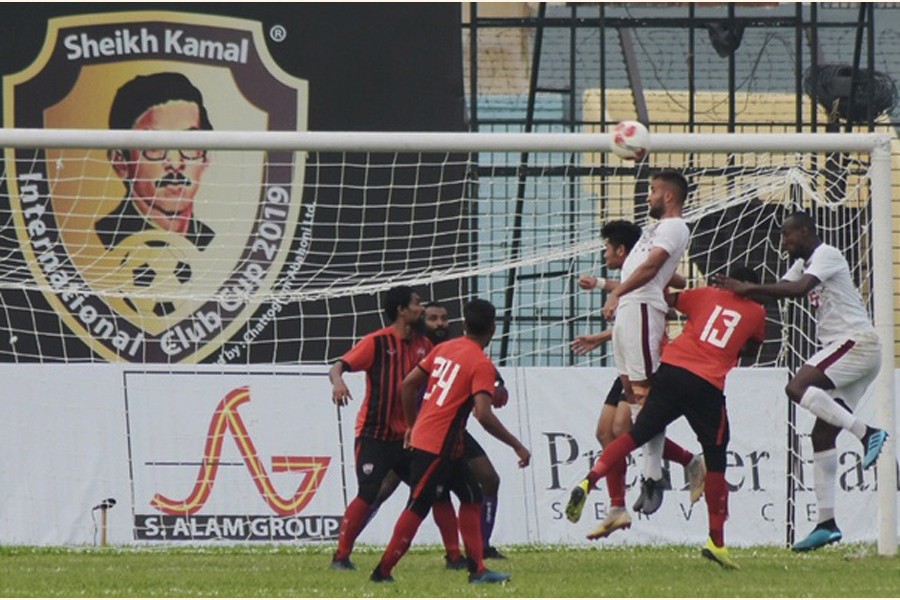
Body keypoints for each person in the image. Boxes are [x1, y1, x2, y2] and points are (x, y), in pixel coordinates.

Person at [567, 265, 768, 569]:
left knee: (632, 434)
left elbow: (661, 299)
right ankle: (716, 541)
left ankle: (590, 480)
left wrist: (606, 285)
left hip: (668, 368)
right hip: (706, 384)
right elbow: (752, 346)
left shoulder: (704, 294)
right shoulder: (756, 311)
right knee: (716, 456)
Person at [713, 211, 888, 552]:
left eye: (788, 235)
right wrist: (737, 293)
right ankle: (826, 524)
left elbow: (799, 289)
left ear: (806, 231)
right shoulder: (802, 264)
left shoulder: (827, 254)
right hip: (851, 351)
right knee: (821, 435)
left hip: (855, 343)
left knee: (796, 387)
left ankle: (868, 433)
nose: (784, 242)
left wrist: (749, 288)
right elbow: (777, 293)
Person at [370, 299, 531, 584]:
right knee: (418, 505)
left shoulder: (444, 348)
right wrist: (516, 445)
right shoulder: (480, 363)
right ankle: (382, 572)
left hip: (444, 442)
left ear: (464, 324)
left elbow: (407, 384)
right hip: (436, 445)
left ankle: (477, 569)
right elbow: (483, 414)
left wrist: (411, 425)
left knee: (471, 495)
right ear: (493, 329)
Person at [573, 219, 704, 538]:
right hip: (630, 346)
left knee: (624, 426)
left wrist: (606, 286)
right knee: (605, 431)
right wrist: (602, 333)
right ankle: (617, 507)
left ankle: (668, 470)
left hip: (650, 351)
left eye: (607, 248)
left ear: (623, 250)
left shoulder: (647, 269)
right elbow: (668, 282)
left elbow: (674, 282)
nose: (604, 253)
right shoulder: (634, 275)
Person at [586, 172, 693, 516]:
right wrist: (612, 288)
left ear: (670, 197)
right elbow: (668, 273)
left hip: (643, 307)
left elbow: (652, 268)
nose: (648, 197)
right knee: (632, 395)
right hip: (630, 311)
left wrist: (616, 292)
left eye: (653, 191)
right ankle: (653, 473)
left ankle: (652, 475)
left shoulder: (675, 227)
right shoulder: (657, 229)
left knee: (645, 397)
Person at [327, 285, 432, 570]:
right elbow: (337, 366)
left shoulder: (424, 345)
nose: (421, 309)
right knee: (369, 490)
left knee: (431, 490)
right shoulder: (376, 342)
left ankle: (455, 557)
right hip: (374, 434)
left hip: (408, 437)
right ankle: (341, 556)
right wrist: (338, 382)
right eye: (417, 304)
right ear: (401, 310)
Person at [98, 72, 215, 251]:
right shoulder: (104, 236)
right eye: (155, 145)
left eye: (189, 143)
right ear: (120, 162)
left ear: (206, 158)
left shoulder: (210, 241)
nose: (175, 164)